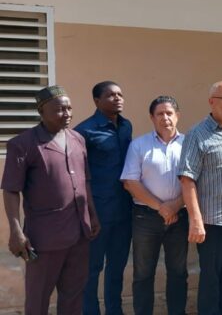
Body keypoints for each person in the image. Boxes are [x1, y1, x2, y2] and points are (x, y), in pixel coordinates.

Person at [2, 86, 99, 315]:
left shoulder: (78, 139)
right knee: (38, 298)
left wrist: (92, 215)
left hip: (79, 233)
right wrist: (16, 231)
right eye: (58, 110)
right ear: (42, 112)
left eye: (69, 108)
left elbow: (85, 181)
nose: (66, 114)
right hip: (44, 239)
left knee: (74, 295)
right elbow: (10, 190)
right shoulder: (22, 144)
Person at [178, 82, 222, 315]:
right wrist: (195, 220)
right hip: (212, 222)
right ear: (211, 101)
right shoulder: (198, 134)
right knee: (211, 279)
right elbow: (187, 179)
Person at [120, 96, 188, 315]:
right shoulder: (139, 145)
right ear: (152, 118)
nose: (165, 118)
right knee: (143, 273)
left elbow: (197, 181)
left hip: (180, 217)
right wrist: (162, 207)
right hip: (146, 218)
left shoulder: (189, 144)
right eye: (160, 114)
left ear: (177, 116)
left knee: (178, 272)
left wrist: (175, 206)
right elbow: (130, 182)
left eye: (169, 113)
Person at [76, 81, 133, 315]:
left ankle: (114, 310)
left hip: (124, 211)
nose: (117, 98)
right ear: (97, 101)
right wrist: (88, 212)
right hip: (97, 212)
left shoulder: (126, 126)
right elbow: (79, 176)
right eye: (110, 95)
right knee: (92, 269)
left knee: (117, 268)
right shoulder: (84, 132)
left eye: (120, 94)